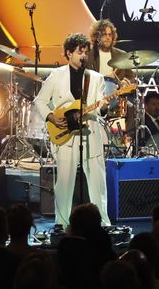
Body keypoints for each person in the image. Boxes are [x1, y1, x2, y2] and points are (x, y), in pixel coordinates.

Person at [33, 33, 111, 228]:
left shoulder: (96, 78)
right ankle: (62, 223)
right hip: (65, 134)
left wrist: (103, 107)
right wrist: (51, 117)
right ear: (68, 53)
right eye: (79, 52)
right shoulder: (56, 75)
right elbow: (40, 101)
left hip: (90, 133)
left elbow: (101, 108)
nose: (83, 56)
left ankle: (102, 222)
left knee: (97, 181)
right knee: (65, 182)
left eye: (86, 52)